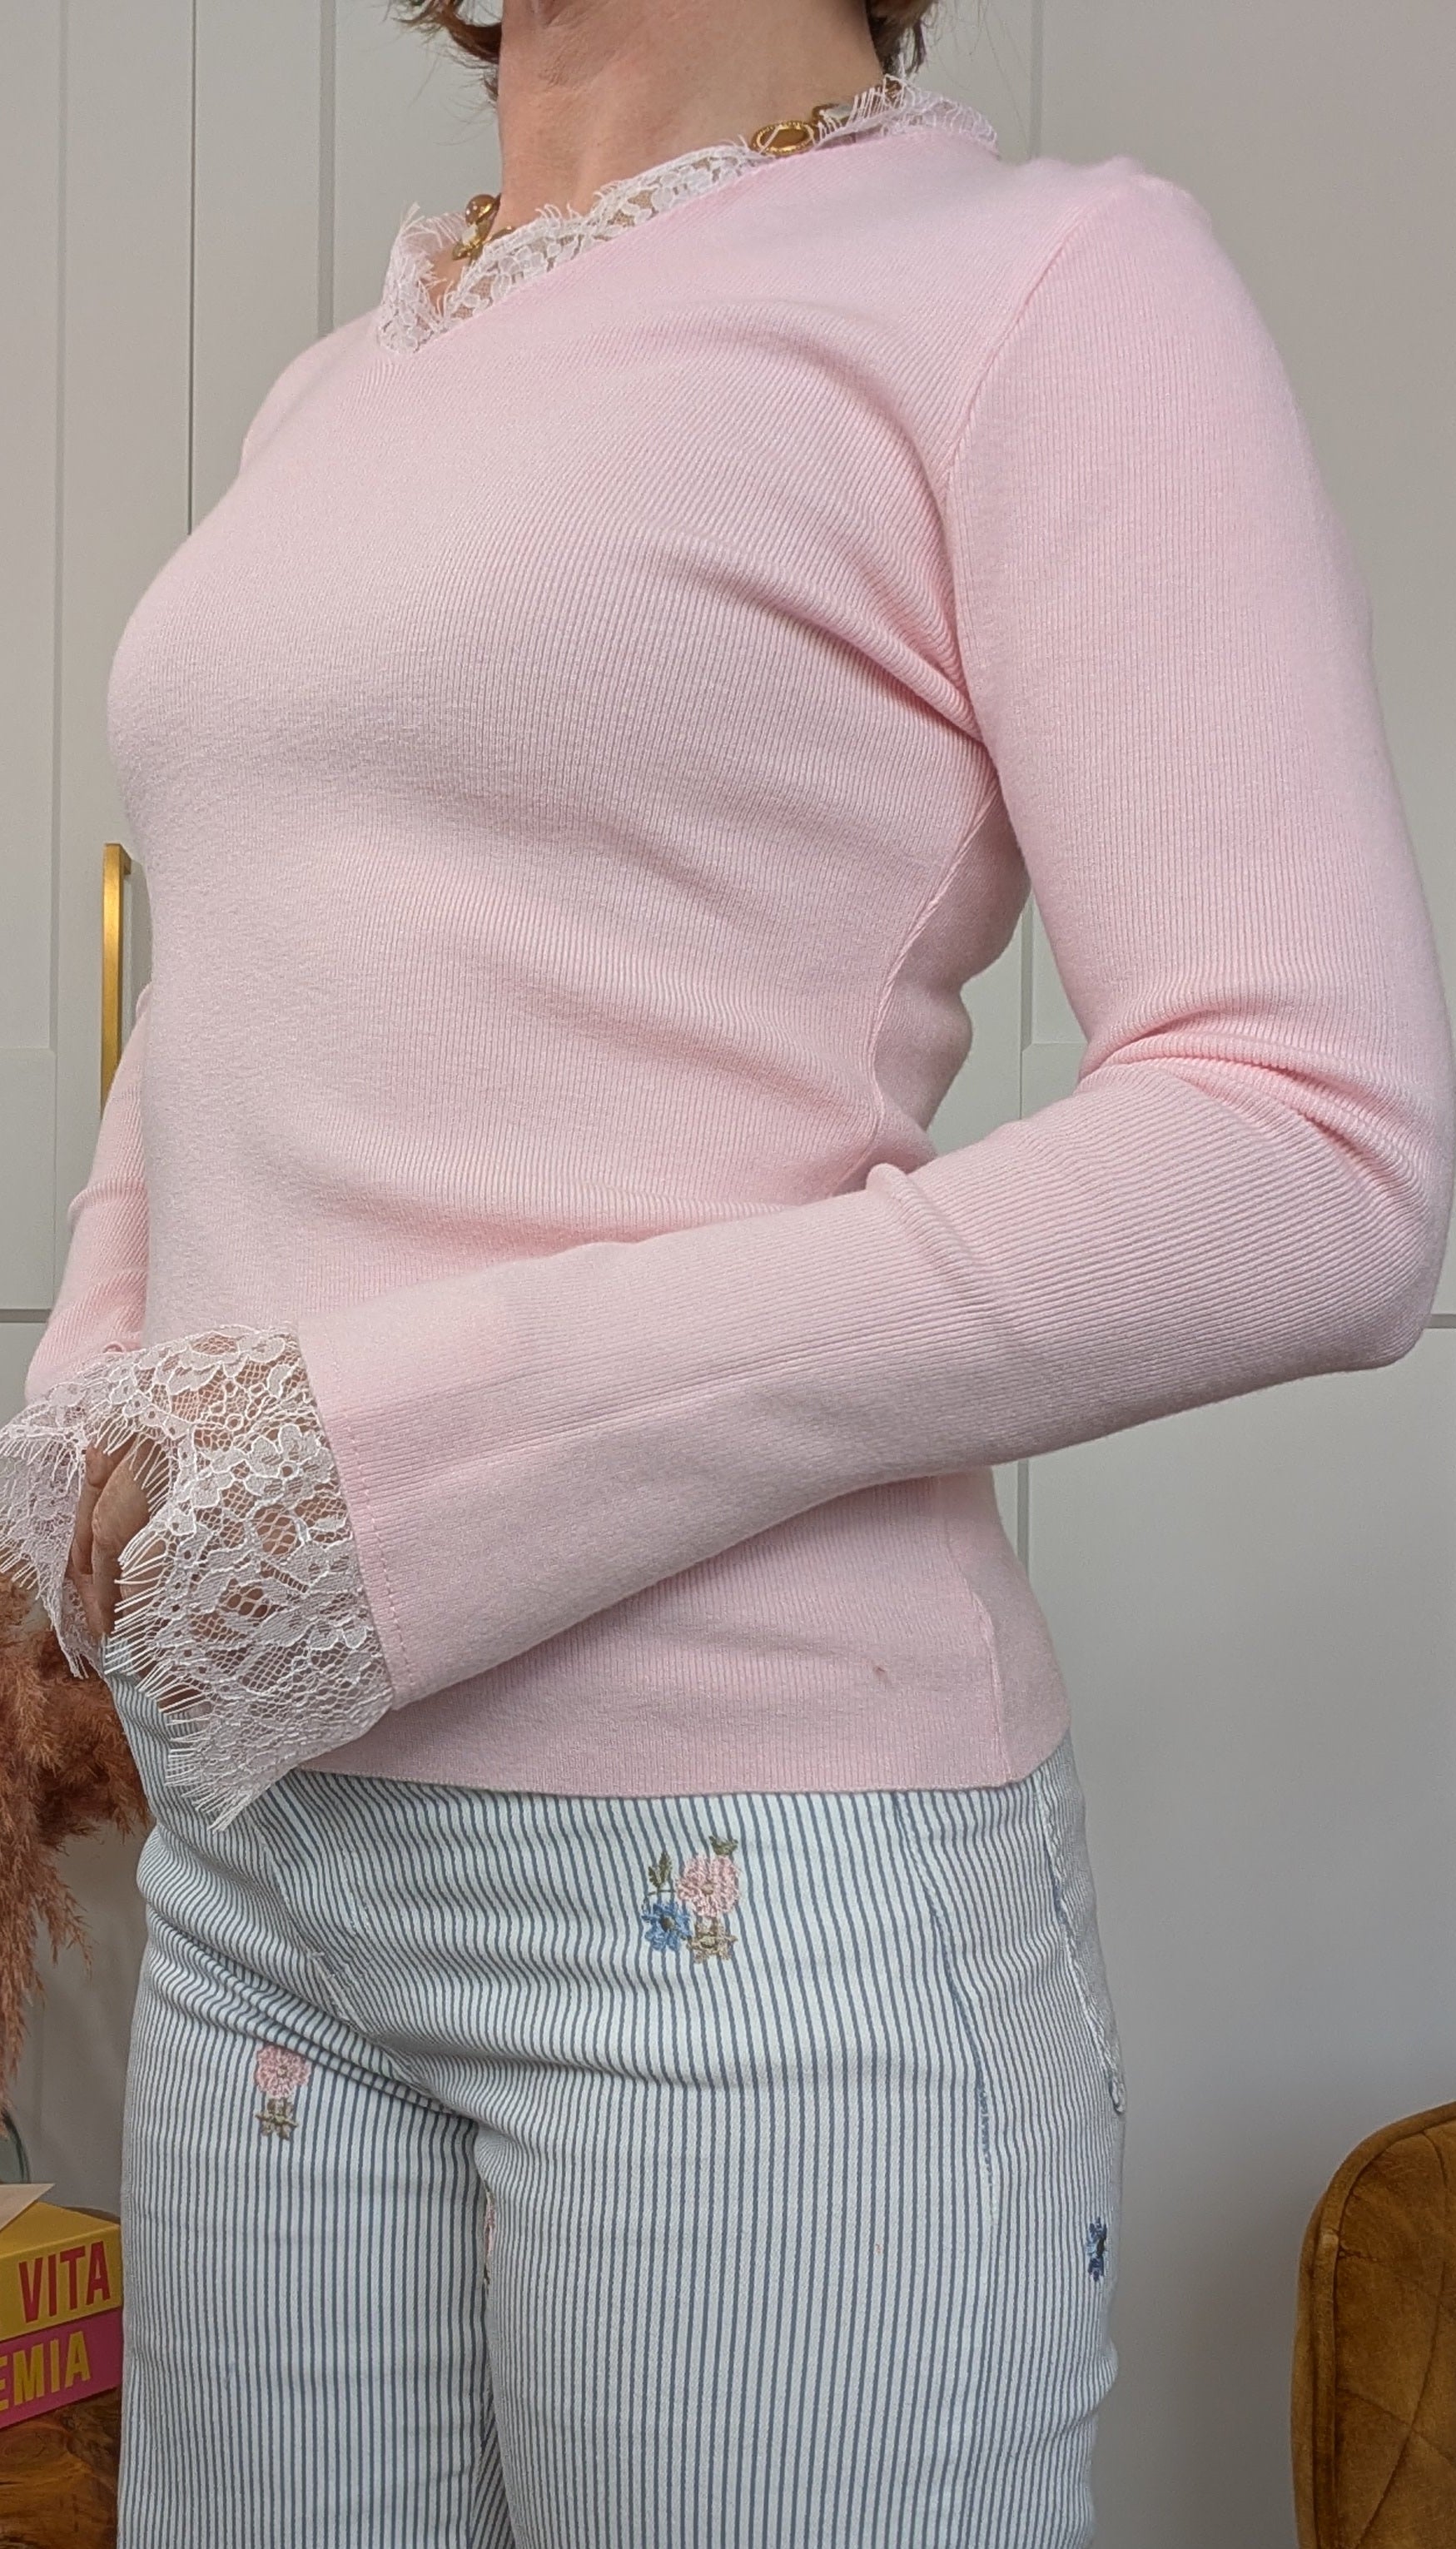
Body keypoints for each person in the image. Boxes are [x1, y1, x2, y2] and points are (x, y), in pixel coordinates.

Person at [1, 0, 1452, 2540]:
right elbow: (228, 993)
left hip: (734, 1902)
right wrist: (80, 1448)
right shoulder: (341, 390)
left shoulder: (1038, 283)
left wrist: (404, 1461)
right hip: (261, 1879)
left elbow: (1317, 1147)